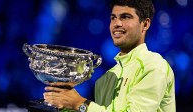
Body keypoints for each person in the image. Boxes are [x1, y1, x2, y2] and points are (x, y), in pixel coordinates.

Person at [43, 0, 176, 111]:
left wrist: (80, 104)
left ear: (145, 24)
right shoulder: (106, 79)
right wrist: (65, 104)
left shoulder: (153, 67)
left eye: (125, 17)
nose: (117, 24)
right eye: (113, 18)